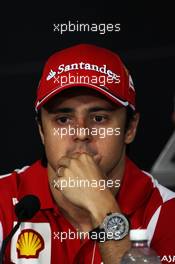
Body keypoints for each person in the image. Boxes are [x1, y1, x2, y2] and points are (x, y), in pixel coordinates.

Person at [0, 43, 175, 264]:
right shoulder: (2, 199)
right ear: (42, 131)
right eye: (63, 119)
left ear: (130, 128)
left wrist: (103, 207)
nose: (81, 133)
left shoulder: (169, 213)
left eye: (99, 118)